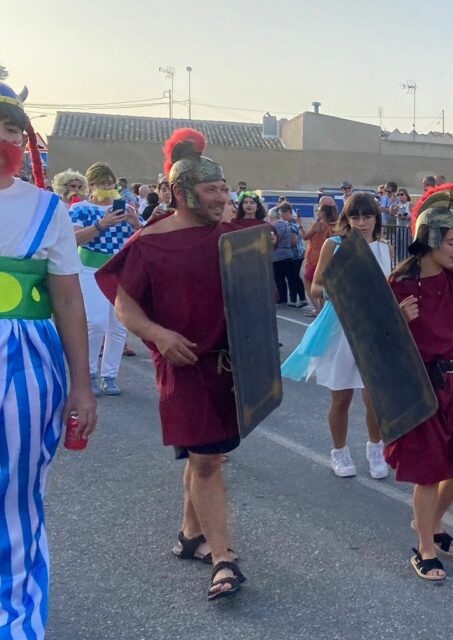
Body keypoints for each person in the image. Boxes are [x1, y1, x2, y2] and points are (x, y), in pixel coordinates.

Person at [96, 128, 250, 600]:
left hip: (229, 367)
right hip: (183, 364)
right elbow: (125, 306)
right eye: (211, 190)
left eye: (224, 189)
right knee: (205, 459)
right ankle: (224, 560)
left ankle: (189, 535)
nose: (222, 198)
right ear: (182, 193)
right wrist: (158, 334)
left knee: (208, 455)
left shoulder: (234, 237)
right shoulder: (150, 243)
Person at [1, 81, 98, 639]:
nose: (4, 136)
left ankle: (14, 624)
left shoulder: (47, 208)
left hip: (26, 361)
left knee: (16, 496)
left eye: (14, 127)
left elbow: (67, 298)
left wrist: (82, 386)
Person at [386, 184, 453, 581]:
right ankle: (425, 547)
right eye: (450, 241)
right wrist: (398, 318)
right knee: (429, 470)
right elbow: (375, 340)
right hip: (419, 385)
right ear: (429, 239)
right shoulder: (398, 284)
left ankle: (429, 521)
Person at [281, 192, 392, 479]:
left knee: (374, 398)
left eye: (367, 216)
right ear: (347, 219)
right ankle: (339, 452)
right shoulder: (335, 244)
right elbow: (316, 286)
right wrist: (338, 291)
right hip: (340, 329)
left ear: (376, 218)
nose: (362, 222)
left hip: (374, 331)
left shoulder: (383, 248)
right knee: (341, 398)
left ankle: (375, 448)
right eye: (355, 217)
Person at [69, 162, 141, 397]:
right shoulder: (80, 208)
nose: (107, 187)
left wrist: (135, 223)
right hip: (90, 269)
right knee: (96, 323)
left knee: (118, 327)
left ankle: (109, 376)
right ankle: (88, 373)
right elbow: (74, 239)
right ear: (91, 186)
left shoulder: (128, 208)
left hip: (120, 270)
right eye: (101, 183)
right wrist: (102, 224)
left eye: (110, 182)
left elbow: (142, 239)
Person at [302, 197, 337, 316]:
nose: (317, 211)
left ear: (323, 212)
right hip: (328, 255)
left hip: (314, 255)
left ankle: (318, 308)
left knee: (308, 281)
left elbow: (305, 237)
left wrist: (300, 226)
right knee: (322, 283)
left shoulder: (317, 225)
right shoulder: (334, 225)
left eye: (319, 210)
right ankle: (322, 309)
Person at [271, 203, 306, 307]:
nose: (281, 216)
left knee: (292, 278)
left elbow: (294, 241)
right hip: (296, 254)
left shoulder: (290, 224)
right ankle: (302, 299)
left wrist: (285, 246)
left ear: (287, 212)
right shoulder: (291, 223)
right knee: (295, 277)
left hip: (295, 254)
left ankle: (294, 299)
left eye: (282, 214)